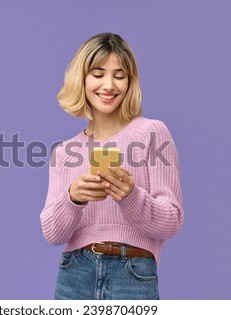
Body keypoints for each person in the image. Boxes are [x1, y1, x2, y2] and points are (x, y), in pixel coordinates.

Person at [40, 33, 184, 300]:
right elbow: (52, 233)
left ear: (130, 82)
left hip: (132, 271)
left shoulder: (152, 133)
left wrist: (130, 196)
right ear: (81, 79)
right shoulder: (63, 152)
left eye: (119, 75)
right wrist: (73, 198)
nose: (109, 85)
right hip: (75, 274)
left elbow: (171, 222)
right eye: (98, 73)